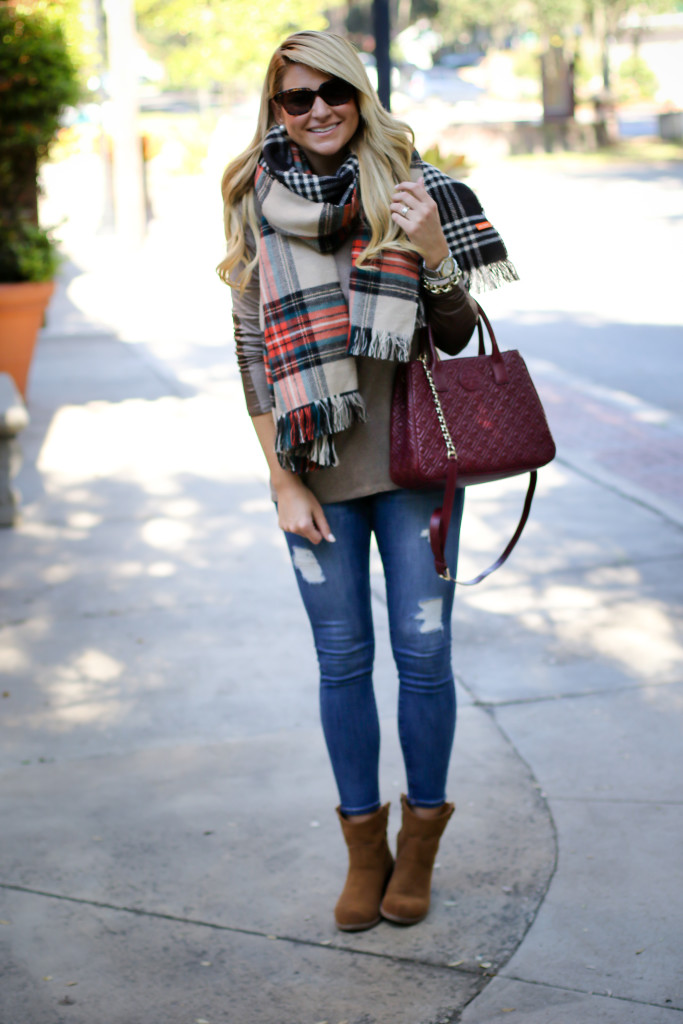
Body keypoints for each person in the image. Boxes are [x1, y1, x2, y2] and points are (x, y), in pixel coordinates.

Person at [218, 30, 516, 932]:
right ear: (276, 110)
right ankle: (364, 848)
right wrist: (280, 480)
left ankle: (420, 842)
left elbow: (460, 331)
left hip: (417, 463)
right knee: (341, 662)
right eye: (294, 99)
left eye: (329, 94)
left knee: (423, 658)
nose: (315, 112)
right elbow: (248, 352)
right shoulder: (255, 199)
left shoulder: (418, 190)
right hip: (314, 472)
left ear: (357, 93)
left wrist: (430, 253)